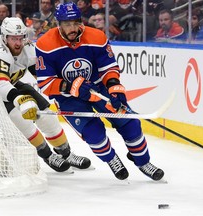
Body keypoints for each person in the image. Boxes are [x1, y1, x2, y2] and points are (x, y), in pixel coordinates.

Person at [35, 2, 164, 181]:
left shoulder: (96, 36)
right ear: (59, 24)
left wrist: (114, 89)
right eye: (66, 24)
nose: (72, 28)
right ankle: (112, 159)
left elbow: (108, 67)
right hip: (68, 98)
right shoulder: (45, 44)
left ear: (80, 21)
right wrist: (72, 87)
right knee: (94, 134)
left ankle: (143, 162)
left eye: (75, 23)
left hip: (98, 87)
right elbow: (45, 83)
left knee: (130, 123)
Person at [0, 17, 91, 172]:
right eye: (13, 38)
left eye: (20, 38)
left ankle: (66, 153)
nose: (18, 43)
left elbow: (41, 75)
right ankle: (47, 155)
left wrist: (64, 87)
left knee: (47, 115)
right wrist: (19, 99)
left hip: (13, 86)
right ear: (4, 37)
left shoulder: (27, 47)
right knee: (21, 120)